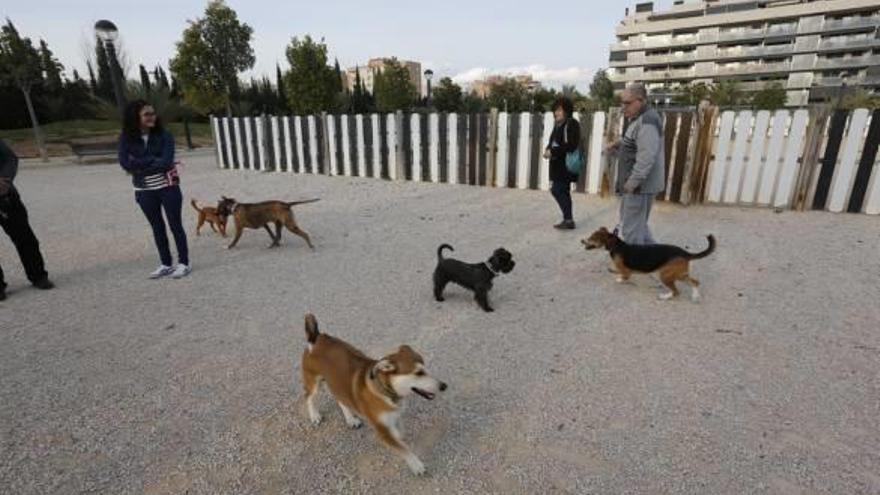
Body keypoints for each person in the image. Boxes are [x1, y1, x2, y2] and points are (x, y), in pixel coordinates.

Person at [118, 100, 191, 279]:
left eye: (153, 113)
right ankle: (166, 263)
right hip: (144, 190)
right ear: (136, 117)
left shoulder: (165, 135)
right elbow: (125, 164)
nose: (152, 117)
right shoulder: (126, 138)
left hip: (168, 187)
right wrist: (152, 160)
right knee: (157, 227)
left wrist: (140, 162)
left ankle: (184, 263)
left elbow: (166, 162)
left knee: (176, 225)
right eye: (147, 114)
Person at [611, 83, 665, 245]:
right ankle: (659, 260)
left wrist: (633, 183)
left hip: (639, 187)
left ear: (640, 101)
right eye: (622, 103)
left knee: (631, 230)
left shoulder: (647, 121)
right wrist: (618, 144)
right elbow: (637, 142)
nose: (623, 107)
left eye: (627, 103)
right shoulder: (640, 119)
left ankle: (636, 266)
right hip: (637, 186)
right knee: (639, 227)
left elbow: (647, 156)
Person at [0, 139, 54, 301]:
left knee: (25, 237)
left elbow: (10, 158)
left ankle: (38, 275)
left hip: (5, 195)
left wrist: (4, 179)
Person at [543, 97, 581, 230]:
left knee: (558, 190)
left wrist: (553, 151)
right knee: (562, 191)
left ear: (566, 110)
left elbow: (571, 145)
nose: (556, 113)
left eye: (559, 110)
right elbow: (553, 140)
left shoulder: (572, 124)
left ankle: (569, 219)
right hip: (557, 165)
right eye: (555, 110)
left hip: (565, 166)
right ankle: (568, 219)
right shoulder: (558, 124)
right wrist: (548, 149)